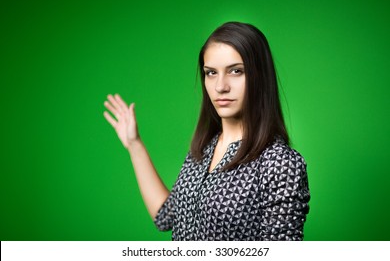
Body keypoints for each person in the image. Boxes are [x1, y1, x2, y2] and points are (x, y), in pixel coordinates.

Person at [103, 22, 310, 241]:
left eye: (236, 71)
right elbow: (166, 217)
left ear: (260, 75)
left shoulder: (279, 162)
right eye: (211, 73)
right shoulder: (202, 150)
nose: (221, 86)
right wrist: (134, 144)